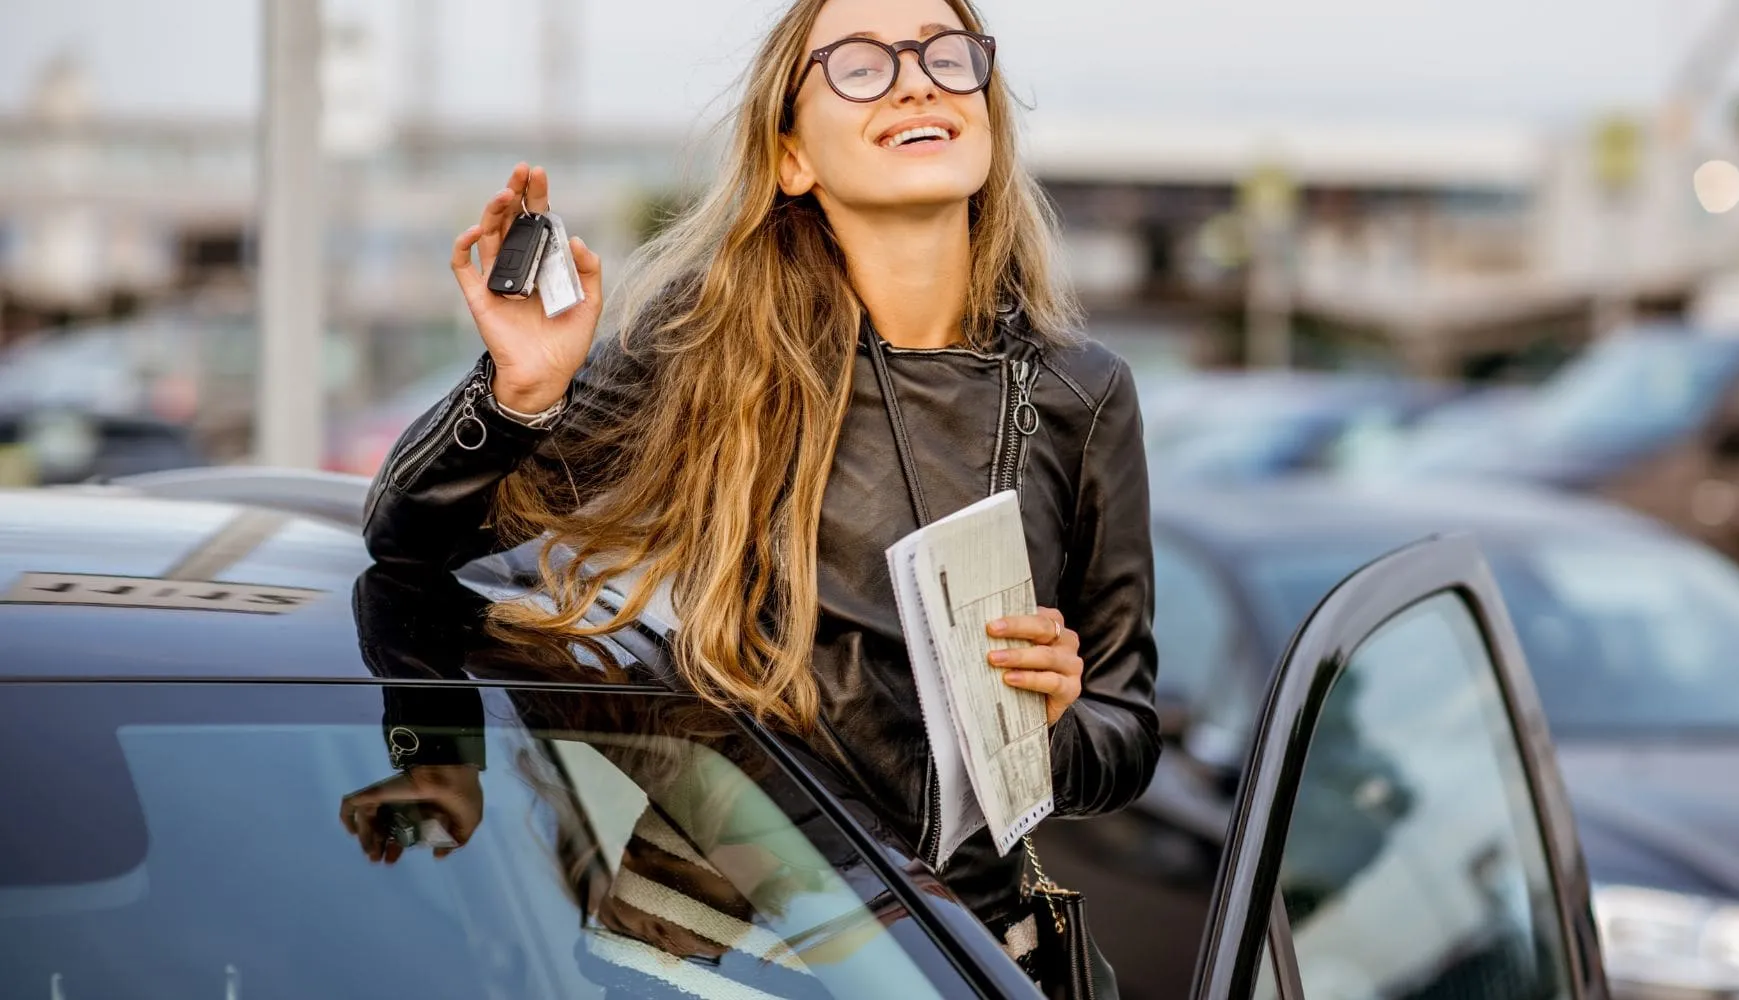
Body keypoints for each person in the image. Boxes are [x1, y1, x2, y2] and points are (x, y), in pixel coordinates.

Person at [361, 0, 1159, 976]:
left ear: (985, 109)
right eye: (861, 65)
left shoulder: (1085, 392)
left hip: (953, 961)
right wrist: (522, 391)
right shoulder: (704, 348)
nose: (918, 79)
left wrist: (1048, 729)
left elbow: (1126, 734)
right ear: (792, 157)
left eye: (949, 56)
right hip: (711, 954)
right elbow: (406, 542)